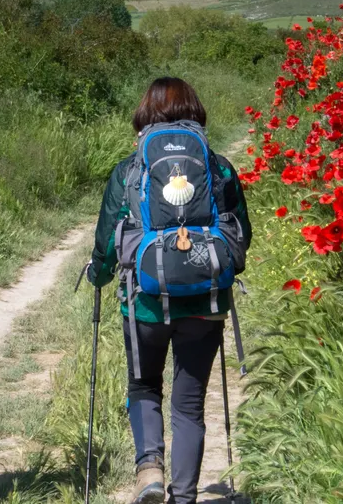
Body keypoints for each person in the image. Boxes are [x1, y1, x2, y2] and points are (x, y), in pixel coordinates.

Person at [87, 77, 252, 504]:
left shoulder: (129, 169)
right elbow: (241, 235)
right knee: (189, 404)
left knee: (144, 387)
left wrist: (98, 276)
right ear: (196, 112)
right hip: (206, 301)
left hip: (144, 303)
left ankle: (149, 471)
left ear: (145, 114)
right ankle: (184, 498)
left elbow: (109, 240)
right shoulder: (219, 167)